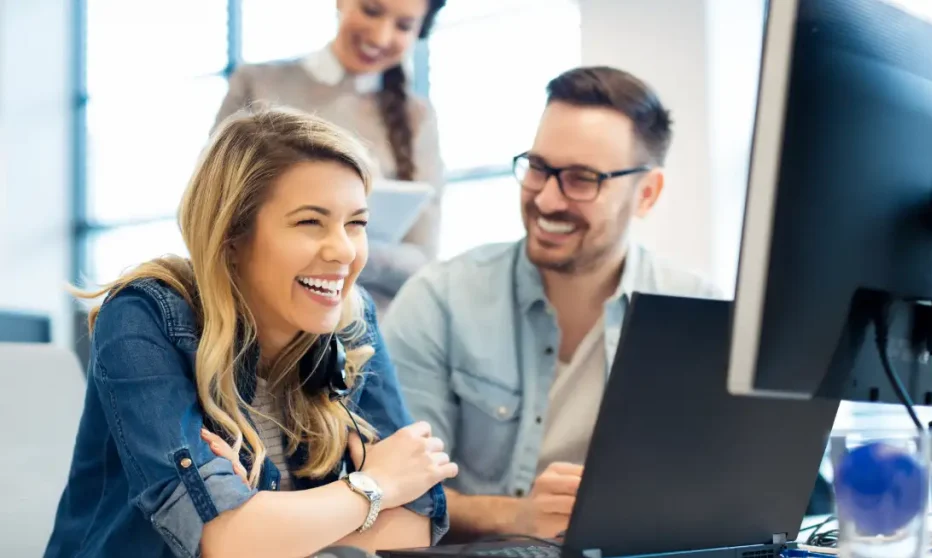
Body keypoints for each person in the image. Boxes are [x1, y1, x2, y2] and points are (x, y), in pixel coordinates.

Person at [44, 107, 457, 558]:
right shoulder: (143, 317)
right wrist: (375, 486)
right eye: (309, 222)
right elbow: (222, 540)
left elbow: (417, 522)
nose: (344, 249)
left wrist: (263, 522)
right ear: (232, 236)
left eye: (355, 223)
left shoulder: (351, 323)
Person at [381, 66, 721, 540]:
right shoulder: (439, 300)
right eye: (539, 168)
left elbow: (730, 492)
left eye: (582, 179)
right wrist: (516, 517)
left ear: (646, 194)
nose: (546, 198)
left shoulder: (701, 314)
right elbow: (397, 491)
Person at [214, 0, 447, 310]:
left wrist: (334, 248)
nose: (380, 36)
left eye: (403, 26)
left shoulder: (418, 118)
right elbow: (212, 209)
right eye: (371, 11)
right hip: (258, 314)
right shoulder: (257, 85)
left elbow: (423, 259)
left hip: (367, 330)